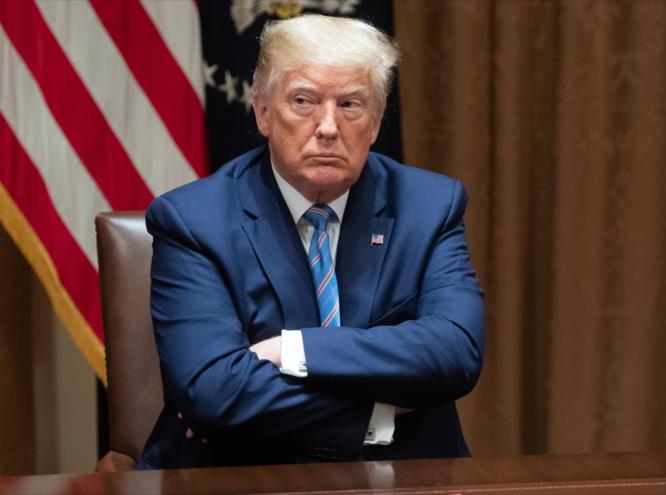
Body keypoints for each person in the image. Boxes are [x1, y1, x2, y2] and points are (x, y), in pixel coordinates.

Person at [137, 14, 484, 470]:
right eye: (303, 101)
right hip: (242, 474)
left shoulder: (430, 205)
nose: (327, 126)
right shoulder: (193, 221)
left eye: (351, 105)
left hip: (405, 472)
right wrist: (381, 409)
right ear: (263, 112)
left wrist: (293, 350)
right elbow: (215, 393)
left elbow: (455, 352)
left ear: (376, 122)